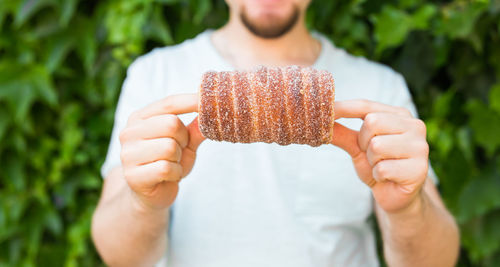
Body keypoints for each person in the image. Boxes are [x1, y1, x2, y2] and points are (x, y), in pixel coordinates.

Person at [91, 0, 460, 266]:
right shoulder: (154, 77)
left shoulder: (380, 90)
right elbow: (119, 257)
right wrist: (143, 202)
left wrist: (408, 209)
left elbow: (438, 261)